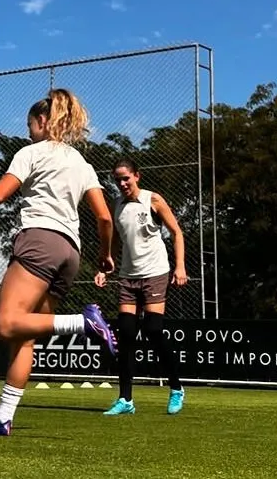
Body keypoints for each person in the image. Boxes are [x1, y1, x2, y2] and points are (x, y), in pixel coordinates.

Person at [0, 88, 117, 436]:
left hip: (39, 242)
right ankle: (2, 416)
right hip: (70, 254)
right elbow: (104, 218)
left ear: (43, 122)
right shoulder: (82, 164)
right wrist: (105, 255)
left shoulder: (31, 153)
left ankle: (84, 323)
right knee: (25, 336)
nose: (29, 131)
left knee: (5, 325)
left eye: (30, 124)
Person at [94, 158, 188, 415]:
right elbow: (114, 244)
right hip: (128, 276)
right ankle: (126, 400)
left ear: (137, 176)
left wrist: (180, 266)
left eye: (126, 178)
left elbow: (177, 232)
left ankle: (177, 388)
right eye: (117, 180)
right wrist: (105, 267)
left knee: (153, 330)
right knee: (125, 333)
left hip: (156, 273)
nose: (122, 183)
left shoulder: (153, 200)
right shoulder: (117, 206)